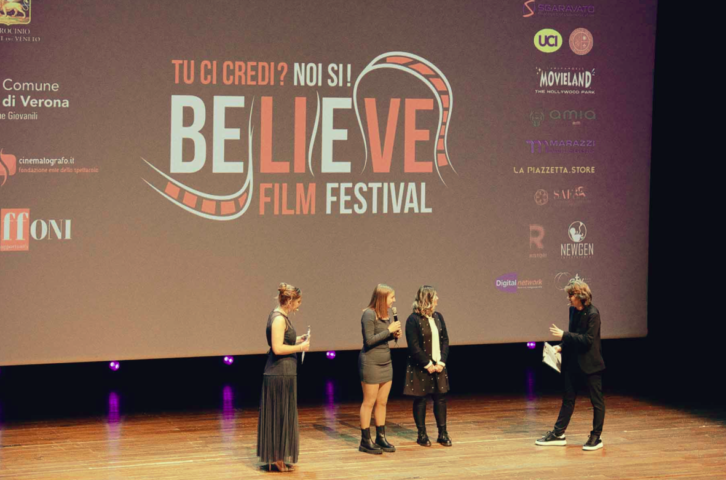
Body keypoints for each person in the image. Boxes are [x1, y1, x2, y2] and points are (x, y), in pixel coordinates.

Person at [536, 279, 605, 451]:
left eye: (571, 295)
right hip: (572, 363)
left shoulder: (593, 314)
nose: (569, 298)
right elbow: (574, 335)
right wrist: (561, 346)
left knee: (596, 402)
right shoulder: (573, 311)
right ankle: (558, 433)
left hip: (590, 364)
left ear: (581, 296)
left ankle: (596, 436)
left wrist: (564, 335)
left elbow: (588, 340)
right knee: (568, 400)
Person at [257, 283, 311, 472]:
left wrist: (297, 339)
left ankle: (279, 456)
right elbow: (277, 348)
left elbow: (283, 340)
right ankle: (277, 458)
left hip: (285, 372)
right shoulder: (279, 319)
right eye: (298, 302)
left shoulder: (282, 317)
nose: (299, 305)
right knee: (279, 415)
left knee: (282, 415)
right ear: (289, 301)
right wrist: (300, 347)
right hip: (278, 373)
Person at [403, 285, 451, 447]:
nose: (437, 299)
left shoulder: (438, 317)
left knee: (440, 399)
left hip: (438, 365)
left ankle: (442, 433)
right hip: (421, 366)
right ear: (427, 299)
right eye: (435, 296)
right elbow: (414, 346)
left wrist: (441, 362)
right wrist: (427, 363)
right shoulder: (413, 320)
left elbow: (445, 340)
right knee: (421, 399)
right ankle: (422, 434)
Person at [358, 284, 402, 454]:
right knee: (369, 402)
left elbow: (382, 338)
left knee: (382, 402)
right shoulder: (368, 314)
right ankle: (365, 441)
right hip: (371, 362)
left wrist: (393, 335)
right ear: (383, 298)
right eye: (392, 297)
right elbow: (369, 340)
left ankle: (380, 437)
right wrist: (389, 331)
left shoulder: (385, 315)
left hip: (386, 362)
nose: (394, 300)